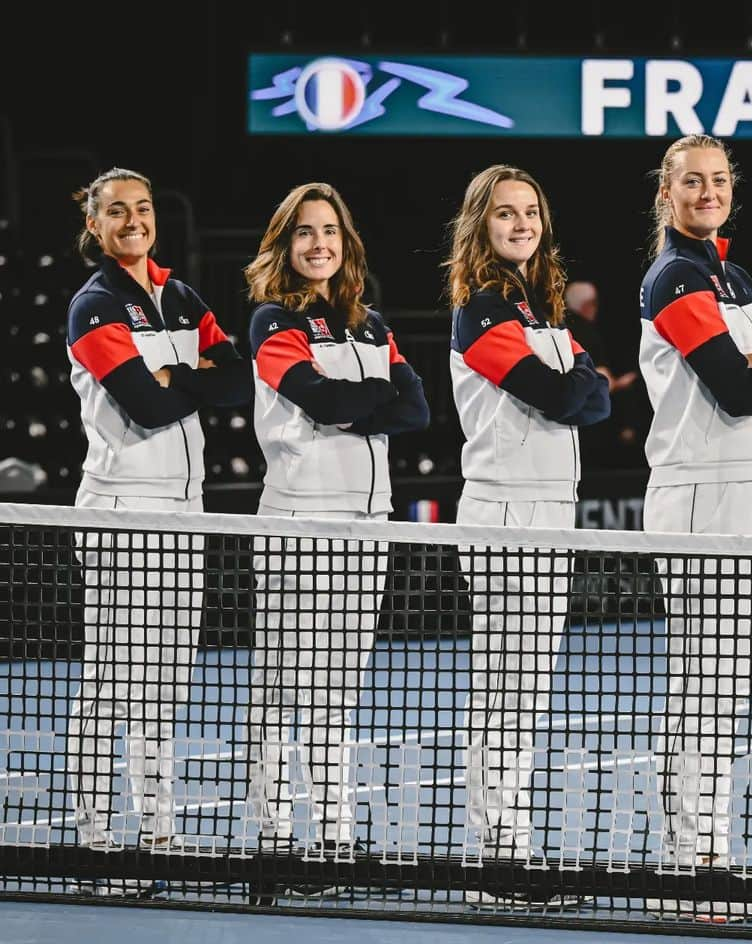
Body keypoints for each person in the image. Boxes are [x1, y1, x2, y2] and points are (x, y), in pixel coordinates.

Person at [637, 134, 752, 923]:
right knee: (702, 686)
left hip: (746, 490)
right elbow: (736, 391)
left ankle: (703, 849)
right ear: (668, 193)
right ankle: (690, 860)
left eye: (718, 180)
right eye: (692, 182)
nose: (708, 192)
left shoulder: (733, 277)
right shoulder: (675, 275)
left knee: (727, 685)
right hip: (695, 493)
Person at [65, 167, 252, 894]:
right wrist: (186, 372)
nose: (134, 219)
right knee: (112, 682)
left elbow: (238, 380)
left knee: (166, 684)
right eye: (118, 211)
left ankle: (158, 833)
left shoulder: (180, 296)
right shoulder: (94, 304)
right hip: (122, 508)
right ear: (97, 225)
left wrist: (183, 375)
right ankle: (93, 841)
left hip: (185, 507)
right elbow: (143, 405)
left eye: (142, 208)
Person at [244, 182, 429, 898]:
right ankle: (272, 845)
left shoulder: (372, 325)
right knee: (285, 690)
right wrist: (368, 401)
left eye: (330, 231)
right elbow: (323, 400)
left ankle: (332, 841)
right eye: (304, 233)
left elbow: (414, 407)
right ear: (284, 246)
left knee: (337, 692)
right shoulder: (271, 322)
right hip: (300, 520)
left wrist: (366, 401)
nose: (319, 243)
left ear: (346, 244)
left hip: (368, 522)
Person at [445, 164, 610, 909]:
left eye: (531, 212)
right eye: (506, 214)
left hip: (551, 510)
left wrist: (582, 382)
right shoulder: (481, 313)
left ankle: (512, 848)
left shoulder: (543, 312)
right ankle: (496, 859)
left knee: (528, 691)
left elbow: (594, 397)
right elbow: (561, 392)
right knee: (504, 691)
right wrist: (580, 381)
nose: (521, 224)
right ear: (481, 225)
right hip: (505, 510)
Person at [564, 280, 644, 464]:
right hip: (591, 424)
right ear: (588, 305)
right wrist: (621, 382)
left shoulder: (559, 329)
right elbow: (603, 381)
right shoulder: (588, 333)